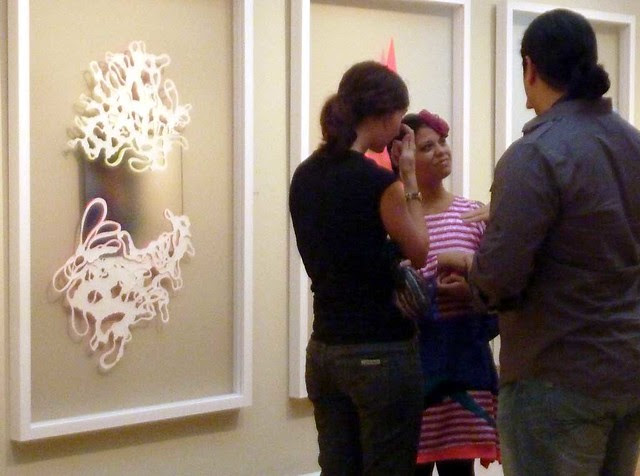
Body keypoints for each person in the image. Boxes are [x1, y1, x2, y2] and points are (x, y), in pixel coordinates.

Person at [446, 9, 640, 475]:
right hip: (629, 371)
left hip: (555, 375)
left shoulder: (534, 154)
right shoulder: (633, 145)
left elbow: (500, 279)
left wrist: (470, 267)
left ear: (530, 67)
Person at [289, 61, 430, 475]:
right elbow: (419, 250)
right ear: (386, 116)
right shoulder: (377, 182)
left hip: (325, 347)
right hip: (380, 348)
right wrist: (409, 177)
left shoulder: (304, 176)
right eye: (400, 118)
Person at [389, 110, 500, 476]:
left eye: (443, 142)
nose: (441, 151)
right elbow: (389, 291)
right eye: (427, 147)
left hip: (464, 365)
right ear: (403, 158)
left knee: (459, 470)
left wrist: (472, 292)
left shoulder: (473, 214)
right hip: (415, 368)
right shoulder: (396, 221)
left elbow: (499, 292)